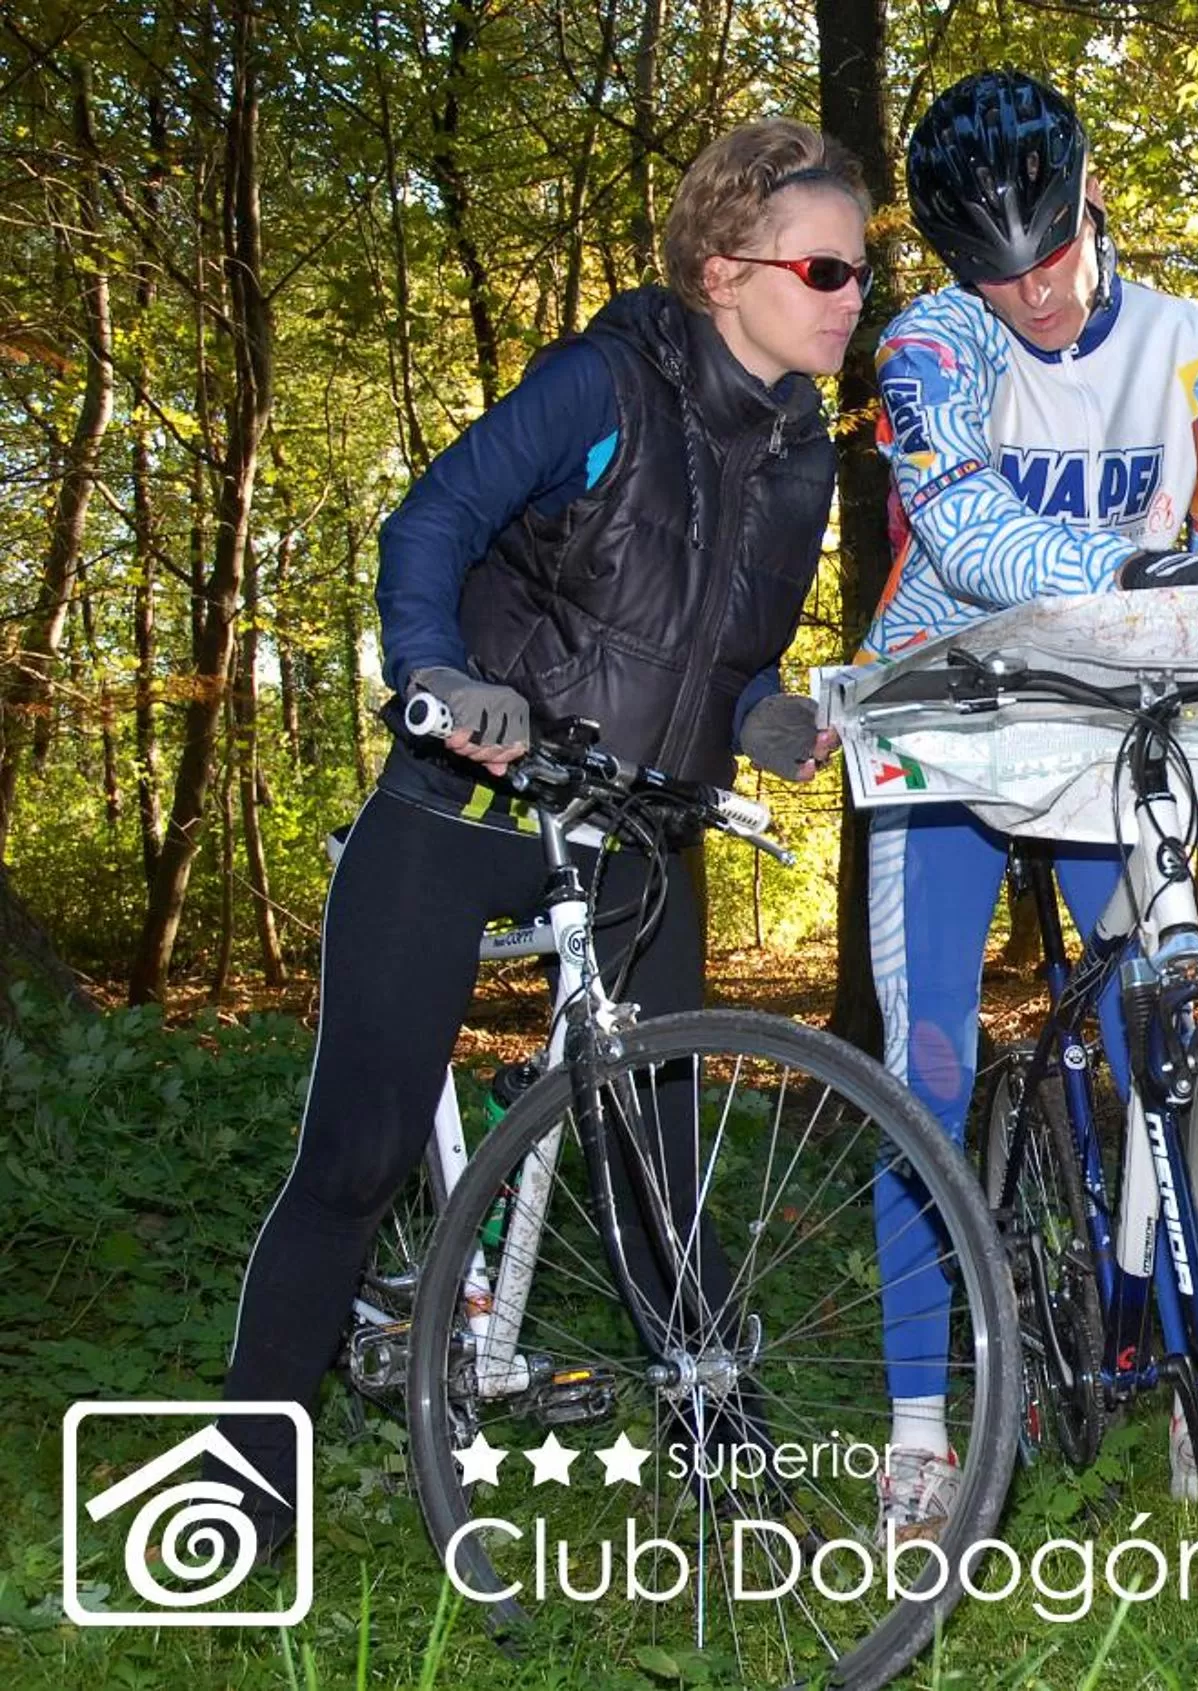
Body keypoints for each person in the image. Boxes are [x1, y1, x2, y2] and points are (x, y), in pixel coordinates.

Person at [212, 118, 868, 1549]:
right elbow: (429, 524)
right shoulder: (603, 383)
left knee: (662, 1164)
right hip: (466, 807)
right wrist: (439, 673)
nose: (850, 297)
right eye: (823, 269)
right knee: (360, 1154)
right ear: (723, 270)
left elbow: (728, 652)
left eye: (861, 273)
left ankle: (737, 1486)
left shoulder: (801, 458)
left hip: (634, 839)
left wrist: (761, 713)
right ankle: (243, 1496)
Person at [857, 68, 1198, 1540]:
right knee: (924, 1064)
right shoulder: (932, 342)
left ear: (1093, 198)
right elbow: (964, 528)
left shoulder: (1189, 347)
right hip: (950, 725)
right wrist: (1125, 570)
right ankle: (921, 1429)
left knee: (1164, 1032)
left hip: (1114, 730)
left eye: (1050, 252)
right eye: (997, 272)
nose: (1034, 293)